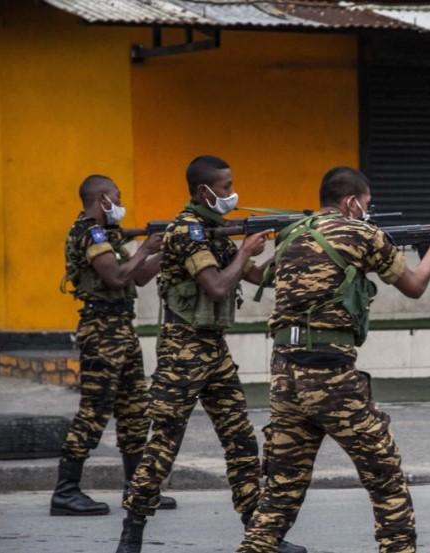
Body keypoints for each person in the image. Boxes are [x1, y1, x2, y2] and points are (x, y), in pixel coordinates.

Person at [235, 167, 430, 553]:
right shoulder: (363, 233)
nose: (367, 211)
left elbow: (259, 276)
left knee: (281, 490)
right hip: (330, 377)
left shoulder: (293, 234)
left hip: (284, 375)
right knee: (385, 477)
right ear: (351, 202)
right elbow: (414, 286)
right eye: (366, 204)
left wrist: (241, 255)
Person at [115, 156, 305, 553]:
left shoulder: (213, 232)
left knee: (241, 441)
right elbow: (217, 286)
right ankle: (131, 533)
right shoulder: (188, 230)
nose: (232, 193)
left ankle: (260, 534)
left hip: (213, 349)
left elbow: (258, 276)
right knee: (164, 444)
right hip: (182, 351)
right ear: (205, 191)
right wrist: (245, 251)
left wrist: (289, 246)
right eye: (225, 186)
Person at [53, 174, 176, 516]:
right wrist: (146, 248)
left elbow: (139, 276)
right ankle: (65, 491)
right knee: (94, 411)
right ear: (102, 199)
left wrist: (167, 250)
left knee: (135, 411)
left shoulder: (108, 236)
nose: (121, 204)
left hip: (120, 328)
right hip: (101, 331)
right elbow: (116, 277)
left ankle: (137, 489)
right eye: (117, 197)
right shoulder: (91, 234)